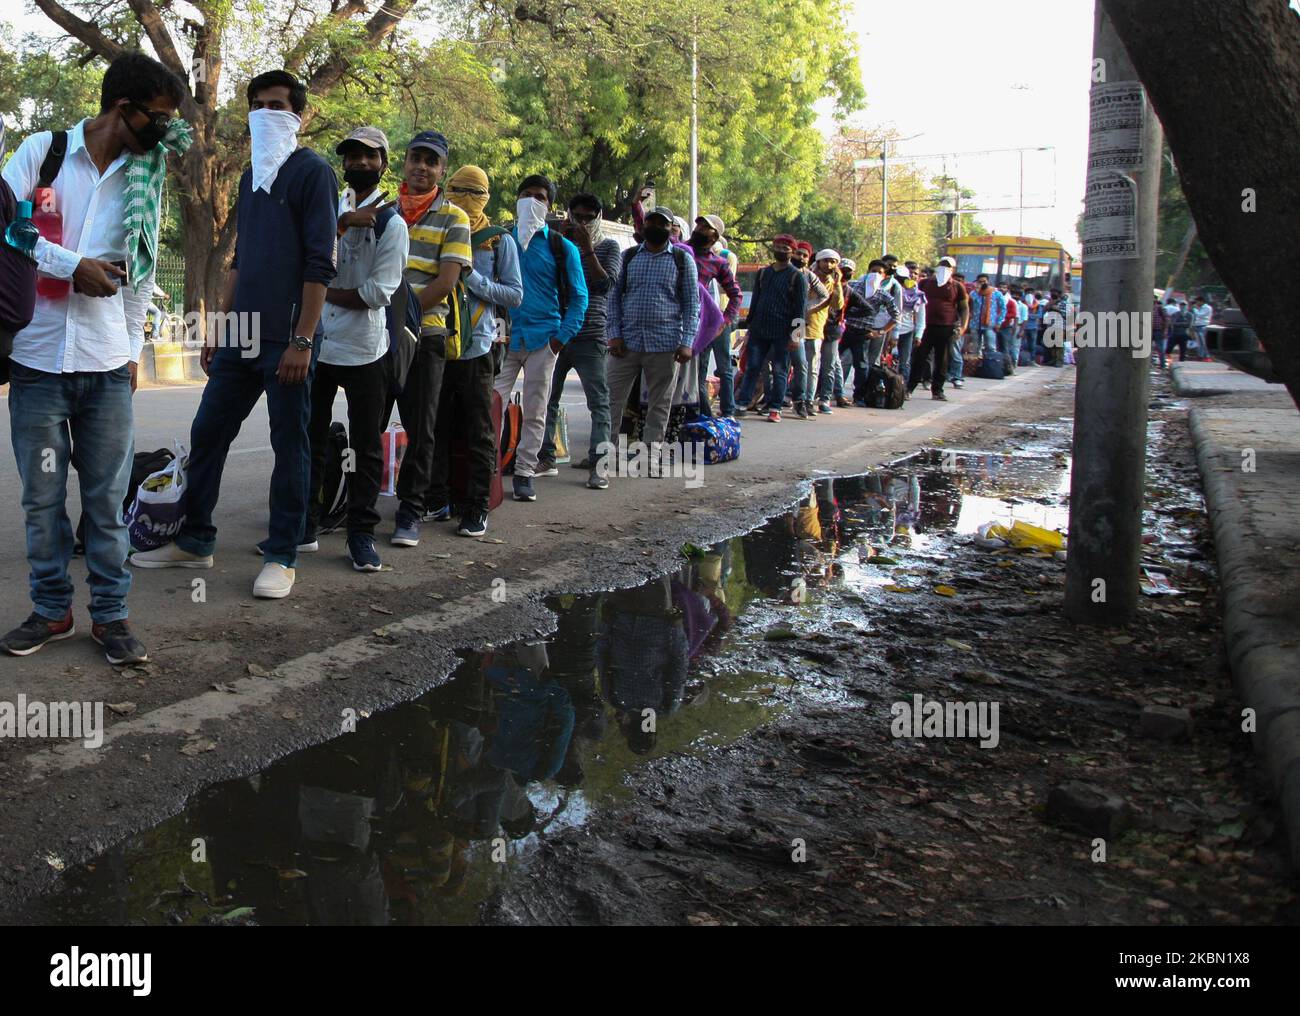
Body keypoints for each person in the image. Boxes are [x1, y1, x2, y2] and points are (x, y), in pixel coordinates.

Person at [0, 53, 185, 661]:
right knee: (43, 501)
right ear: (122, 108)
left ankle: (112, 616)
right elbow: (6, 229)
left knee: (106, 504)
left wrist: (132, 352)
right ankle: (52, 611)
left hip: (106, 366)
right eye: (157, 118)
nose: (165, 131)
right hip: (36, 362)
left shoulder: (146, 176)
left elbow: (141, 274)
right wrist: (68, 265)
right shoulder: (42, 153)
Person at [129, 69, 336, 601]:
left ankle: (282, 555)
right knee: (208, 433)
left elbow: (320, 265)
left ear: (298, 115)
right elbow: (240, 261)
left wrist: (302, 340)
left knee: (289, 445)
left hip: (287, 338)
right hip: (241, 336)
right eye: (258, 105)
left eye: (278, 105)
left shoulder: (313, 173)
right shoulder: (250, 176)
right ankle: (196, 539)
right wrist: (219, 327)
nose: (267, 113)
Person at [301, 126, 408, 571]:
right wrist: (342, 225)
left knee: (366, 445)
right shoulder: (330, 211)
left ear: (384, 163)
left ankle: (360, 534)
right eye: (353, 156)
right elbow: (307, 259)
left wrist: (320, 293)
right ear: (343, 164)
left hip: (366, 349)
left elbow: (377, 293)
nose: (360, 163)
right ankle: (302, 523)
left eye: (370, 156)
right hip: (320, 344)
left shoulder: (393, 223)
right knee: (308, 436)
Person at [380, 130, 473, 547]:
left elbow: (446, 280)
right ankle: (360, 506)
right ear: (405, 162)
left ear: (441, 170)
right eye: (415, 157)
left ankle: (410, 512)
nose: (421, 166)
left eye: (430, 161)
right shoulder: (383, 210)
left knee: (422, 429)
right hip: (376, 334)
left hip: (426, 333)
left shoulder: (455, 217)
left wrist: (402, 316)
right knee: (370, 425)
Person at [427, 164, 523, 535]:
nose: (465, 199)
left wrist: (473, 278)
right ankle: (438, 498)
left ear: (486, 197)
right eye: (457, 190)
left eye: (475, 193)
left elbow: (515, 295)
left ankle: (477, 505)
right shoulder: (440, 227)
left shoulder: (498, 241)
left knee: (479, 429)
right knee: (435, 426)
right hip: (436, 340)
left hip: (477, 348)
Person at [495, 174, 588, 502]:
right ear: (516, 200)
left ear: (549, 206)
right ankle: (487, 471)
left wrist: (560, 338)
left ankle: (524, 473)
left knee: (535, 410)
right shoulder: (501, 240)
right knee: (491, 405)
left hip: (543, 339)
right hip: (503, 340)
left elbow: (580, 297)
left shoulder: (562, 248)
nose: (532, 201)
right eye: (526, 194)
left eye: (540, 197)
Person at [537, 192, 619, 489]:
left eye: (588, 217)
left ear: (597, 218)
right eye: (577, 216)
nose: (582, 222)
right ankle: (545, 456)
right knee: (546, 398)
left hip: (590, 334)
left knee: (599, 402)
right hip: (557, 331)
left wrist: (586, 249)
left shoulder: (608, 246)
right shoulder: (556, 244)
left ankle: (599, 466)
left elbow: (605, 284)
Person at [605, 204, 699, 462]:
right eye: (652, 222)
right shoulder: (629, 256)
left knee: (660, 404)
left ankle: (650, 456)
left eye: (663, 224)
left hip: (666, 343)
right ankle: (604, 452)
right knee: (611, 399)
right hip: (627, 342)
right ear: (643, 226)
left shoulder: (682, 259)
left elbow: (692, 304)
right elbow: (613, 299)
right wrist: (614, 334)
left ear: (671, 229)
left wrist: (687, 342)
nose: (656, 227)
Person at [735, 234, 806, 423]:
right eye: (779, 247)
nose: (781, 251)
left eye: (786, 248)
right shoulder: (763, 273)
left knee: (780, 370)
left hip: (783, 333)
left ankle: (775, 408)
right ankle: (742, 404)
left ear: (792, 252)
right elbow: (756, 301)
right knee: (752, 367)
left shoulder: (797, 276)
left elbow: (800, 309)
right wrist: (748, 329)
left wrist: (796, 336)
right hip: (759, 330)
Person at [686, 214, 743, 417]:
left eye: (705, 227)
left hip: (704, 325)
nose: (699, 229)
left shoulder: (717, 262)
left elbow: (736, 295)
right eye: (699, 225)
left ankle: (718, 415)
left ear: (714, 236)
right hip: (674, 321)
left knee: (704, 374)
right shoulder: (679, 250)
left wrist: (724, 322)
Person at [910, 255, 969, 402]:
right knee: (919, 358)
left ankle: (938, 390)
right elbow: (914, 302)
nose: (944, 268)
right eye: (942, 264)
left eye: (947, 266)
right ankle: (909, 387)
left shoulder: (957, 286)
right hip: (925, 326)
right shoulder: (924, 283)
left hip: (946, 327)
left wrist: (962, 327)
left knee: (942, 360)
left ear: (952, 269)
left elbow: (964, 308)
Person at [841, 260, 899, 405]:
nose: (875, 274)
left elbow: (896, 316)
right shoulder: (853, 286)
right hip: (846, 329)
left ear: (885, 277)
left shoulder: (883, 295)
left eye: (879, 272)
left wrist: (880, 331)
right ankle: (833, 392)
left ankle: (859, 396)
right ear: (867, 272)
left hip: (864, 333)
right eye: (873, 271)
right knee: (838, 362)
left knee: (861, 366)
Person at [788, 240, 830, 418]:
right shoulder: (781, 271)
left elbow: (824, 295)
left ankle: (802, 401)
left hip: (799, 322)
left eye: (805, 255)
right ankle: (774, 402)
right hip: (778, 321)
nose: (801, 257)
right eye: (798, 253)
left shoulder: (808, 275)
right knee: (778, 363)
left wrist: (806, 307)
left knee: (801, 363)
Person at [809, 249, 844, 415]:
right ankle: (796, 396)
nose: (829, 265)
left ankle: (824, 399)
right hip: (801, 324)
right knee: (800, 363)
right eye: (826, 261)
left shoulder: (834, 282)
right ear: (819, 261)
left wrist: (837, 284)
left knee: (827, 364)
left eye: (833, 262)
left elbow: (837, 305)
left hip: (827, 329)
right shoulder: (808, 276)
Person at [892, 265, 926, 394]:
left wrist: (919, 335)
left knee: (904, 362)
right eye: (898, 279)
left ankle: (902, 390)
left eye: (903, 279)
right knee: (886, 360)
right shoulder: (889, 290)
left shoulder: (917, 295)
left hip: (907, 331)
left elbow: (921, 316)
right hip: (888, 329)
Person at [968, 274, 1006, 358]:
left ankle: (990, 367)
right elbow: (969, 307)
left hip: (990, 325)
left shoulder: (996, 293)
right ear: (977, 282)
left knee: (991, 348)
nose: (982, 283)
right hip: (975, 324)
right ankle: (976, 368)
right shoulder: (973, 293)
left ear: (988, 282)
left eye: (984, 281)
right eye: (980, 282)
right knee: (975, 349)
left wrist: (999, 322)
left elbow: (1003, 308)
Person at [997, 283, 1019, 375]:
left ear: (1007, 289)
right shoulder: (994, 299)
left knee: (1005, 348)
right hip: (994, 326)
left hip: (1006, 327)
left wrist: (1001, 317)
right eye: (1000, 287)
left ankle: (1009, 369)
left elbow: (1014, 314)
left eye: (1004, 287)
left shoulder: (1011, 301)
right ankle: (998, 367)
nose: (1002, 289)